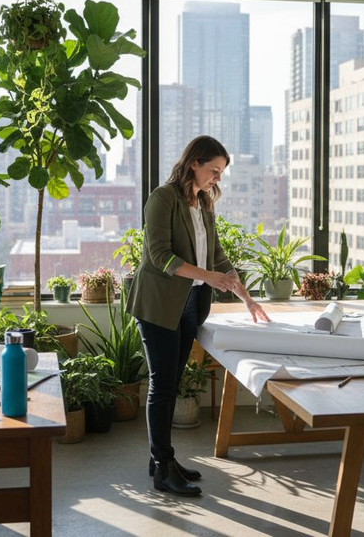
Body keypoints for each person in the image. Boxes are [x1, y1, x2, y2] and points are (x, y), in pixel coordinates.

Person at [125, 135, 270, 497]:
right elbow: (160, 257)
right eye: (214, 170)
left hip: (190, 305)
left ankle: (162, 458)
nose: (217, 178)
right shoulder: (163, 198)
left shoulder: (204, 202)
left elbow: (217, 257)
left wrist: (247, 299)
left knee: (171, 383)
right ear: (194, 163)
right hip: (159, 304)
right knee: (162, 385)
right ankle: (163, 468)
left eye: (221, 172)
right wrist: (210, 277)